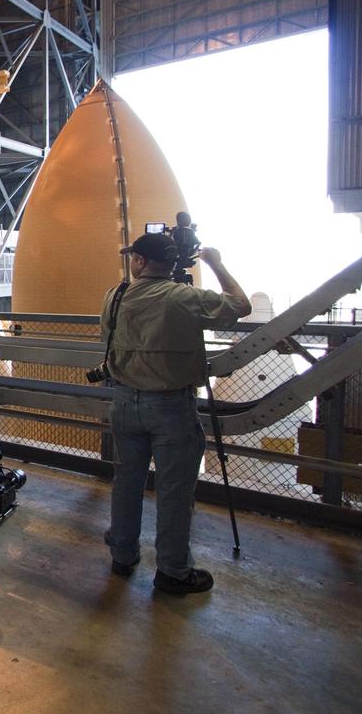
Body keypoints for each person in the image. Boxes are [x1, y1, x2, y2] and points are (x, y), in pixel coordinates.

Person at [101, 233, 250, 596]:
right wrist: (215, 262)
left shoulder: (116, 296)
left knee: (127, 482)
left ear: (139, 261)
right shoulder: (183, 298)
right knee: (174, 492)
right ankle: (172, 570)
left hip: (123, 402)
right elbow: (240, 305)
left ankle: (122, 555)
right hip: (170, 406)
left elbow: (107, 338)